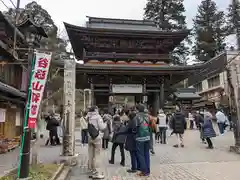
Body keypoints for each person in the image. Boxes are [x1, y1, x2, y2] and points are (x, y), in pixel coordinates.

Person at [87, 106, 106, 179]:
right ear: (95, 110)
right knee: (98, 155)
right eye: (97, 108)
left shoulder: (88, 116)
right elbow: (101, 127)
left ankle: (91, 169)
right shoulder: (97, 117)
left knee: (91, 154)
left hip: (90, 137)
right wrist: (105, 124)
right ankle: (97, 172)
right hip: (97, 137)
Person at [133, 104, 151, 177]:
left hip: (140, 137)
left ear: (137, 109)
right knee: (147, 153)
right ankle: (147, 170)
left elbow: (134, 128)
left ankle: (144, 171)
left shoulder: (136, 117)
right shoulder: (147, 116)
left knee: (141, 154)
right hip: (147, 136)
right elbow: (149, 125)